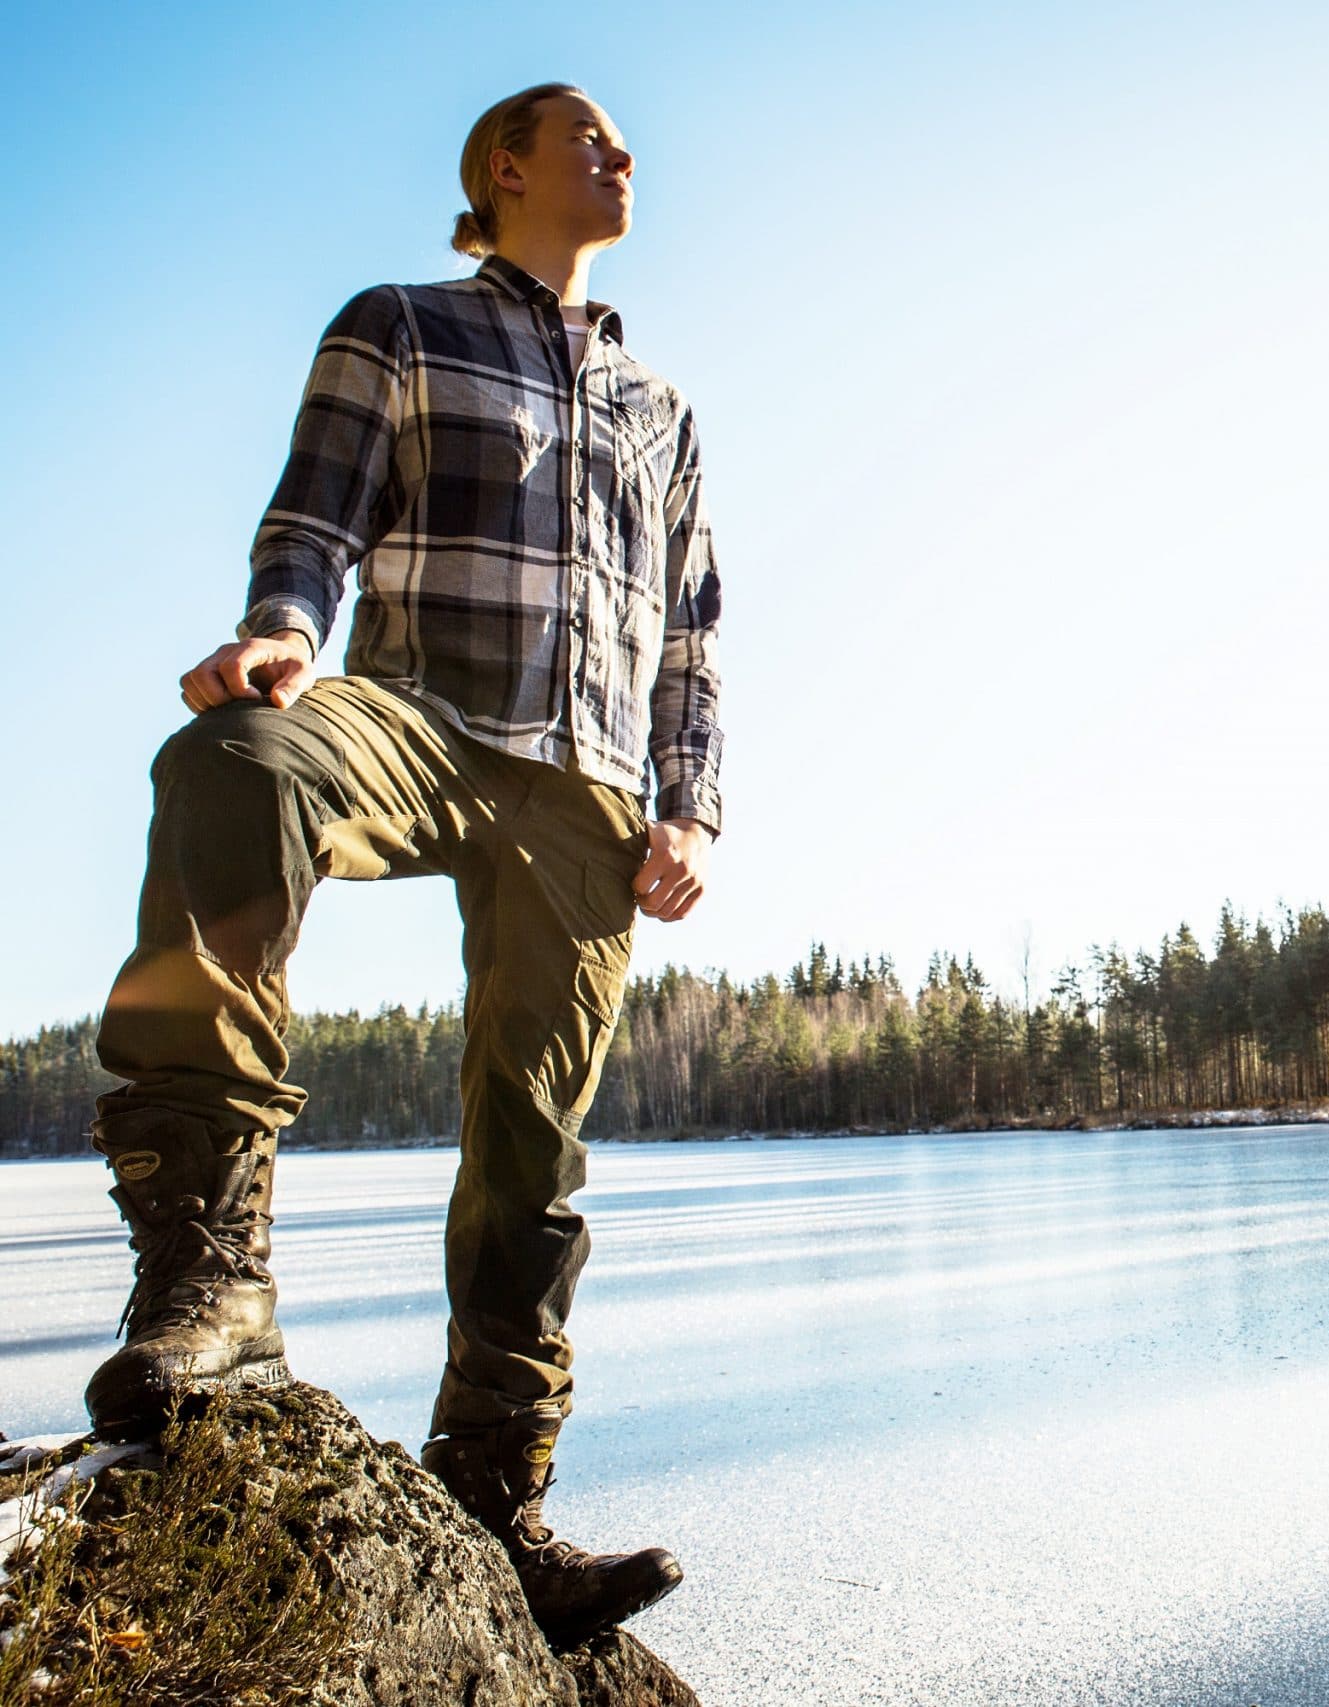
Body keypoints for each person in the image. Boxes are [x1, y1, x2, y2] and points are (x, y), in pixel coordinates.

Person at [83, 81, 721, 1649]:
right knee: (232, 761)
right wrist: (284, 636)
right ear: (502, 170)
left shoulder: (664, 411)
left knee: (534, 1146)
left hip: (584, 794)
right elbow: (316, 518)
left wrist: (689, 806)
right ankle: (210, 1282)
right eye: (586, 137)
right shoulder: (402, 324)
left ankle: (497, 1499)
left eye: (623, 142)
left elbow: (694, 639)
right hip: (419, 718)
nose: (619, 154)